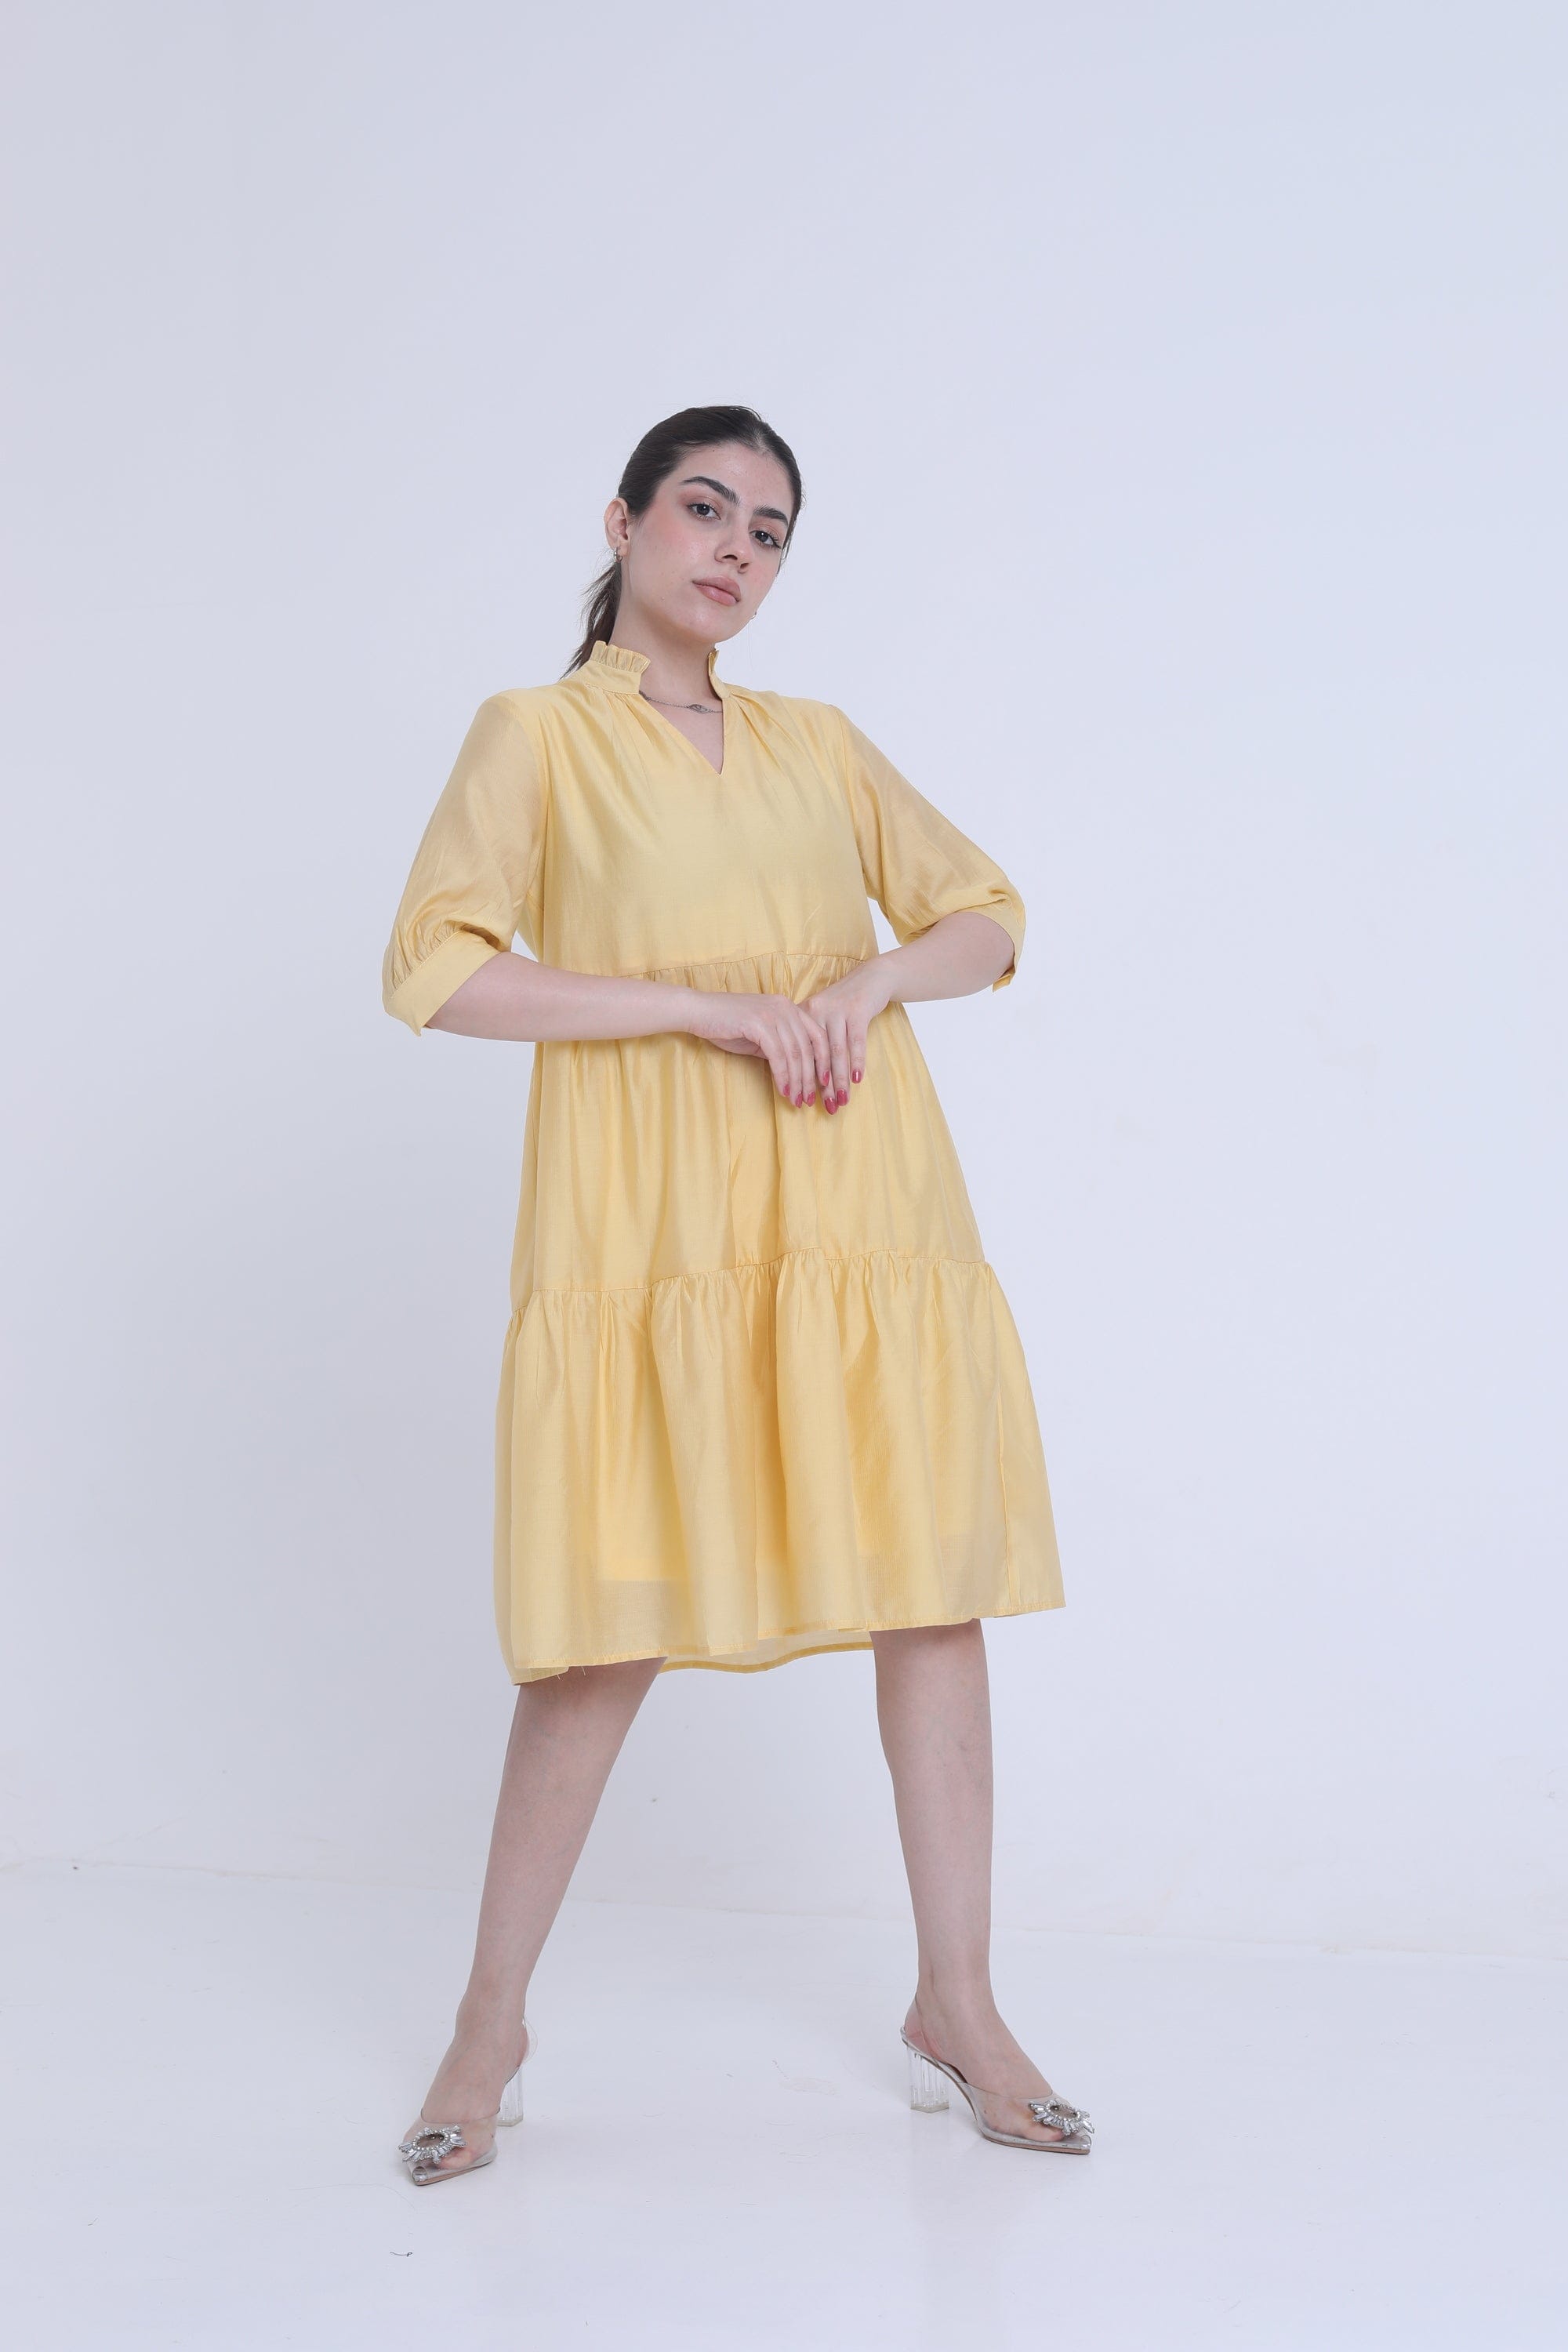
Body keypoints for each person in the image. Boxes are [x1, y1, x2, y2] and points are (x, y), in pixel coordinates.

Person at [382, 405, 1092, 2183]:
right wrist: (698, 1007)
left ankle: (960, 2004)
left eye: (770, 532)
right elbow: (439, 972)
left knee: (931, 1591)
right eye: (705, 509)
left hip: (856, 1208)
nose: (735, 551)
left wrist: (866, 984)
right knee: (599, 1629)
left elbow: (988, 916)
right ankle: (488, 2023)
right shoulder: (537, 736)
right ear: (624, 520)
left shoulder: (816, 743)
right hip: (652, 1233)